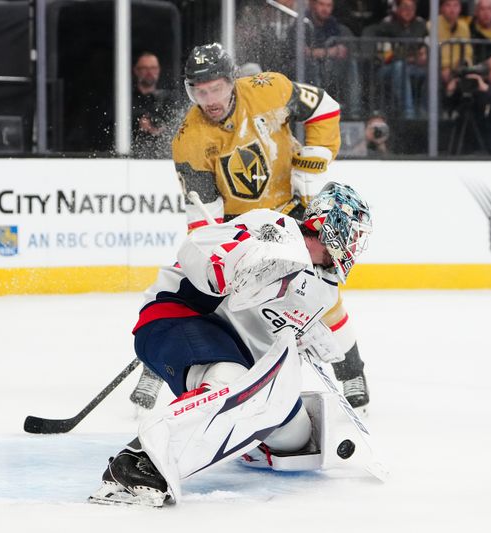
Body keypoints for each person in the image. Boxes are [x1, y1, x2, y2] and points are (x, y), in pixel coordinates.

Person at [129, 43, 371, 425]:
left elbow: (325, 107)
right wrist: (220, 261)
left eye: (216, 88)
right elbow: (204, 219)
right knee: (197, 292)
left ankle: (351, 370)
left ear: (232, 81)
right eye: (199, 91)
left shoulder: (268, 89)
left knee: (321, 293)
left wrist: (318, 154)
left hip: (290, 211)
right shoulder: (189, 140)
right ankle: (160, 365)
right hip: (240, 227)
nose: (209, 99)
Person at [93, 182, 373, 507]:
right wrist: (227, 264)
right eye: (352, 233)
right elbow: (194, 247)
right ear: (328, 223)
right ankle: (135, 463)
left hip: (230, 347)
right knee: (230, 378)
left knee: (296, 437)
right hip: (179, 314)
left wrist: (298, 338)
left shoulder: (324, 289)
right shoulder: (273, 228)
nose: (354, 244)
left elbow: (264, 350)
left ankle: (244, 438)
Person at [299, 0, 362, 115]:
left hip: (328, 66)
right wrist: (329, 51)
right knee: (312, 66)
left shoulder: (332, 23)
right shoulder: (304, 21)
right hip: (308, 69)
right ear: (313, 5)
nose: (325, 9)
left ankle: (354, 111)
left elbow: (340, 50)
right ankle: (317, 109)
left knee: (351, 63)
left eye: (329, 5)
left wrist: (325, 52)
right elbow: (303, 52)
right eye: (321, 4)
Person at [369, 0, 429, 118]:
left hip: (414, 67)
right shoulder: (387, 24)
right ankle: (408, 113)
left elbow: (426, 47)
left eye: (412, 8)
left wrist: (425, 55)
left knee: (432, 71)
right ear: (398, 8)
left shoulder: (420, 25)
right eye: (405, 7)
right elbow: (386, 55)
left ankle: (425, 112)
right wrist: (412, 57)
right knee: (400, 67)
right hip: (386, 68)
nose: (408, 11)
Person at [131, 52, 176, 159]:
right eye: (144, 68)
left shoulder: (168, 100)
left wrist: (162, 129)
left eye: (153, 68)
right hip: (131, 156)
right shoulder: (125, 101)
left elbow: (176, 125)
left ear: (159, 70)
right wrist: (138, 121)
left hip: (163, 158)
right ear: (136, 71)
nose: (149, 72)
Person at [435, 0, 473, 84]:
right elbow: (433, 53)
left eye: (456, 5)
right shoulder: (432, 25)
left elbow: (468, 52)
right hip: (438, 69)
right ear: (441, 8)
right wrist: (445, 67)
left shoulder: (464, 27)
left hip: (459, 68)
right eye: (448, 5)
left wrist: (462, 64)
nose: (452, 9)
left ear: (460, 8)